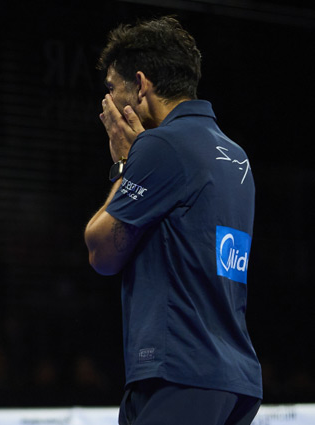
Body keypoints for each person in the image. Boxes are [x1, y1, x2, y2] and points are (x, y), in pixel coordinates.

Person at [83, 17, 262, 425]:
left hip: (179, 375)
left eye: (111, 89)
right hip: (232, 381)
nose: (106, 105)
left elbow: (101, 252)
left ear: (141, 84)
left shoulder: (162, 145)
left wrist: (125, 165)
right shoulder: (236, 156)